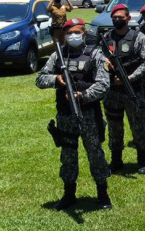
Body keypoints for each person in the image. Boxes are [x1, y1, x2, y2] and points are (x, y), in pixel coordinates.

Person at [36, 18, 111, 209]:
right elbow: (40, 79)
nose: (73, 36)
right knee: (68, 155)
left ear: (84, 34)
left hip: (88, 114)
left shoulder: (95, 55)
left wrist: (83, 95)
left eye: (77, 32)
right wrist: (57, 79)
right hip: (66, 115)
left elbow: (103, 84)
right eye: (69, 33)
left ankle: (102, 194)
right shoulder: (58, 56)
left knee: (95, 154)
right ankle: (69, 194)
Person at [102, 4, 145, 174]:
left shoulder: (139, 38)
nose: (117, 20)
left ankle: (142, 161)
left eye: (121, 17)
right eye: (114, 17)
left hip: (133, 89)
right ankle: (116, 160)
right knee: (114, 127)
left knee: (138, 126)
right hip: (112, 91)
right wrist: (105, 64)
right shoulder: (107, 38)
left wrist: (130, 78)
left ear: (128, 19)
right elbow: (98, 58)